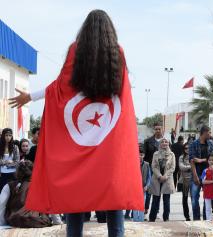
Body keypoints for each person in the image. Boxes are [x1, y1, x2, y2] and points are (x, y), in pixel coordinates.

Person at [9, 10, 144, 237]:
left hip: (78, 145)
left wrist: (30, 96)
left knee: (75, 202)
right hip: (109, 149)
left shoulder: (76, 50)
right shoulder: (117, 54)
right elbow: (124, 98)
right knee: (114, 207)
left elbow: (60, 87)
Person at [0, 160, 51, 227]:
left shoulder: (9, 185)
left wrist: (2, 223)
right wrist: (58, 222)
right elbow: (50, 205)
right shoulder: (41, 185)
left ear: (17, 172)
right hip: (37, 221)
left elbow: (1, 205)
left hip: (15, 220)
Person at [189, 125, 213, 220]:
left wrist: (201, 160)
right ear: (204, 133)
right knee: (194, 199)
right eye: (209, 132)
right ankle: (196, 219)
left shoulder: (211, 143)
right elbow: (192, 161)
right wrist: (195, 177)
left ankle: (206, 218)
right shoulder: (193, 144)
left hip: (208, 176)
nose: (210, 134)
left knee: (208, 199)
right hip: (196, 175)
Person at [148, 138, 175, 222]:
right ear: (160, 144)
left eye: (166, 142)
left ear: (168, 143)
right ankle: (152, 218)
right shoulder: (155, 154)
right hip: (157, 179)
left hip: (167, 180)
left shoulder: (172, 154)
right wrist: (159, 176)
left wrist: (165, 176)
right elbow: (154, 166)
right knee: (155, 200)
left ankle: (166, 218)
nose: (164, 143)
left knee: (166, 201)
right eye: (162, 142)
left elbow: (172, 168)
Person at [143, 123, 163, 214]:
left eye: (159, 129)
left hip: (161, 170)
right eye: (156, 129)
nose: (158, 131)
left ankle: (156, 209)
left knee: (158, 191)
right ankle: (146, 208)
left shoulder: (165, 141)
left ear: (162, 130)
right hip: (150, 168)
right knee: (148, 189)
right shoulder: (147, 141)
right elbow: (144, 155)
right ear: (154, 130)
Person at [131, 145, 151, 222]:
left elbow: (149, 177)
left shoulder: (147, 164)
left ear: (144, 155)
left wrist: (147, 186)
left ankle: (141, 219)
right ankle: (135, 219)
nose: (140, 156)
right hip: (135, 188)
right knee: (135, 203)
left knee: (142, 203)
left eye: (141, 155)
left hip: (143, 188)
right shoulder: (132, 163)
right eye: (138, 154)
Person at [179, 143, 192, 221]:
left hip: (193, 180)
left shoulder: (193, 156)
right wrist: (191, 167)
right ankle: (187, 216)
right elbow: (181, 167)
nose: (187, 150)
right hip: (184, 180)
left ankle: (195, 214)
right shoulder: (181, 157)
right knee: (185, 199)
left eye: (189, 148)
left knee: (194, 199)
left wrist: (187, 167)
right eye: (186, 148)